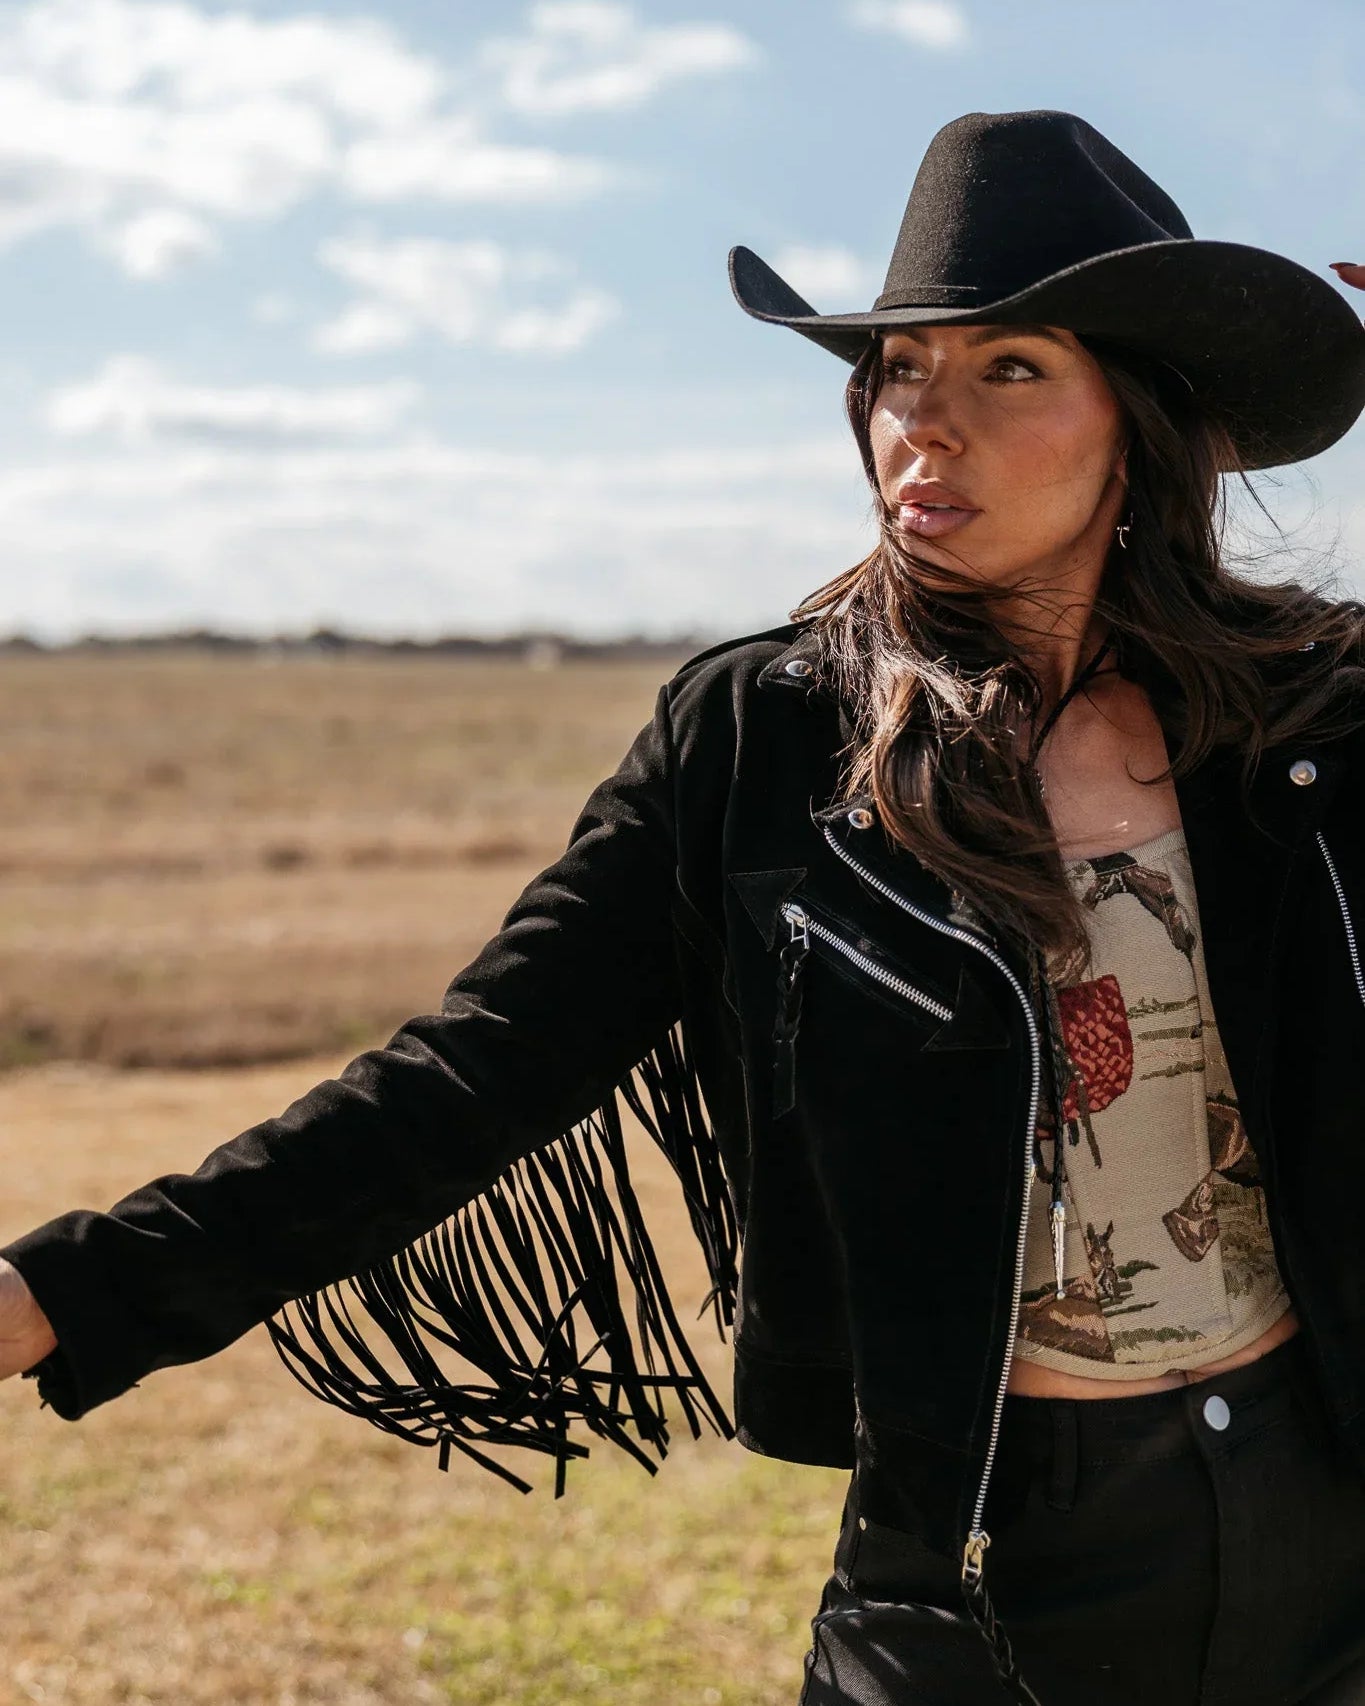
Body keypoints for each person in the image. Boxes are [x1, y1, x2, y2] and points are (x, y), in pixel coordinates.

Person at [4, 107, 1365, 1705]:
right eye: (897, 372)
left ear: (1137, 418)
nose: (923, 426)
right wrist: (64, 1291)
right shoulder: (767, 743)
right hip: (979, 1560)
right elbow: (470, 1072)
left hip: (1324, 1505)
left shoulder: (1306, 722)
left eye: (1007, 370)